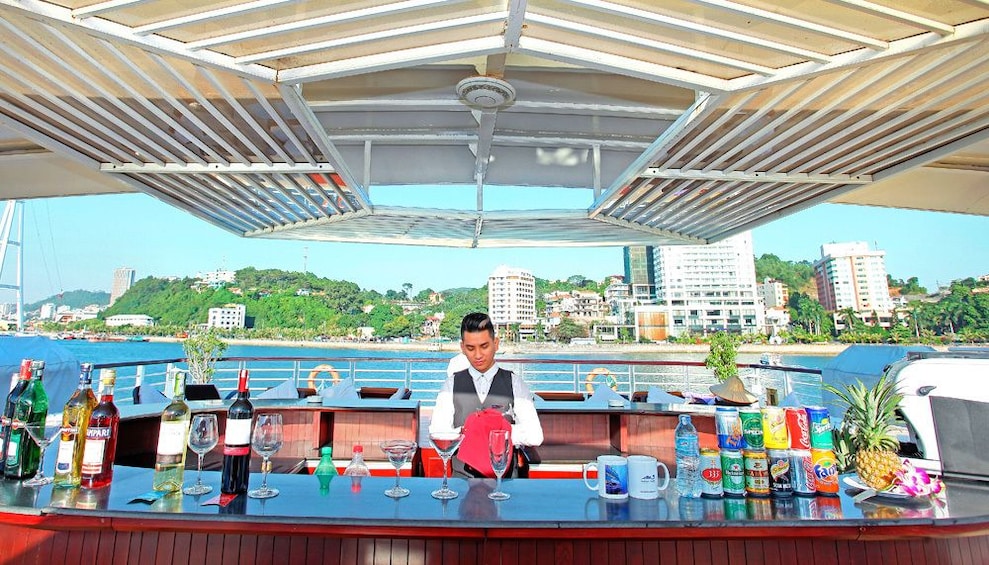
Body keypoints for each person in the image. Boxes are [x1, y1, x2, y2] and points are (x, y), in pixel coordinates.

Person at [430, 312, 543, 478]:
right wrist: (469, 431)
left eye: (484, 346)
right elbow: (437, 431)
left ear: (496, 344)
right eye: (470, 348)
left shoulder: (515, 383)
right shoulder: (451, 384)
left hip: (505, 482)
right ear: (462, 348)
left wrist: (491, 430)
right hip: (462, 480)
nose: (477, 355)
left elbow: (535, 435)